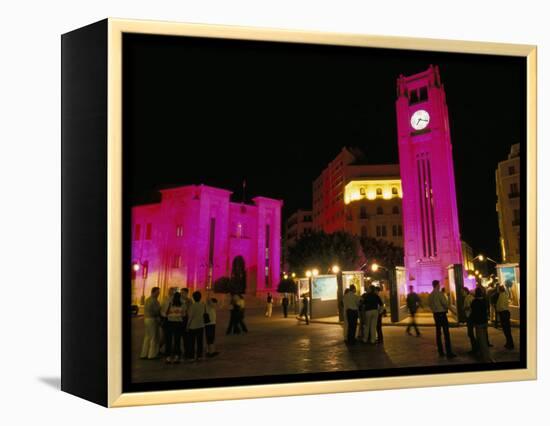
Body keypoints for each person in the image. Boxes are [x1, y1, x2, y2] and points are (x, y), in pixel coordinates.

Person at [428, 280, 456, 359]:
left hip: (435, 315)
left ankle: (440, 352)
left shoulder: (431, 295)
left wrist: (435, 309)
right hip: (442, 315)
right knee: (446, 333)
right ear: (437, 285)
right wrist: (453, 311)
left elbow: (429, 304)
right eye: (439, 284)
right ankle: (449, 352)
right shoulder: (440, 294)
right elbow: (445, 304)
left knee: (438, 333)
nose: (440, 286)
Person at [470, 287, 493, 362]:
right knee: (484, 338)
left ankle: (485, 356)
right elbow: (486, 310)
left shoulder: (474, 302)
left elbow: (473, 312)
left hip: (478, 322)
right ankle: (482, 353)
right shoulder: (484, 301)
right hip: (484, 321)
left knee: (480, 339)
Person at [164, 291, 185, 364]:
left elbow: (164, 312)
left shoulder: (169, 303)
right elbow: (184, 314)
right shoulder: (182, 304)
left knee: (168, 340)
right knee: (177, 340)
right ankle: (176, 357)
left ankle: (168, 357)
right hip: (178, 324)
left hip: (169, 323)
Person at [140, 287, 161, 360]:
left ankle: (144, 353)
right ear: (154, 292)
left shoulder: (148, 299)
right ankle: (152, 354)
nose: (159, 294)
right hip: (152, 319)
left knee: (147, 336)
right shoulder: (153, 300)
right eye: (158, 292)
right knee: (153, 337)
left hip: (147, 319)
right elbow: (155, 310)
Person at [186, 291, 206, 362]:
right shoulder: (202, 305)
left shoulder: (192, 306)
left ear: (193, 298)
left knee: (192, 342)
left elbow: (190, 317)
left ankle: (191, 357)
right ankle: (199, 356)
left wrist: (187, 326)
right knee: (200, 342)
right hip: (201, 325)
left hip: (193, 326)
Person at [159, 286, 177, 355]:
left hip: (171, 318)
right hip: (166, 318)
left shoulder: (174, 299)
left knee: (170, 335)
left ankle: (169, 349)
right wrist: (164, 316)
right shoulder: (165, 299)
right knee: (165, 336)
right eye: (170, 291)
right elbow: (162, 309)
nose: (171, 292)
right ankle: (159, 348)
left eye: (172, 291)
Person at [462, 287, 476, 354]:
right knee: (470, 333)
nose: (462, 293)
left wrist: (465, 308)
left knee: (470, 333)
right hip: (469, 316)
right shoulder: (468, 297)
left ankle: (475, 348)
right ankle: (474, 347)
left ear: (465, 291)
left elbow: (471, 307)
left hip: (470, 317)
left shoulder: (469, 298)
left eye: (462, 292)